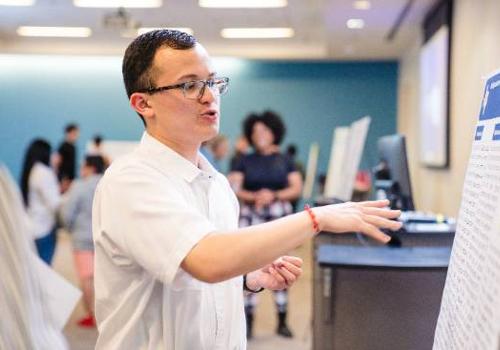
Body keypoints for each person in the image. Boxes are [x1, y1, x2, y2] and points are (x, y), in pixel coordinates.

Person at [92, 29, 401, 350]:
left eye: (212, 82)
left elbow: (195, 280)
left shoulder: (218, 185)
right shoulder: (130, 181)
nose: (210, 96)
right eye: (190, 85)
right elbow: (207, 260)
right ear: (143, 103)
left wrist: (246, 279)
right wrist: (315, 219)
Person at [229, 110, 302, 338]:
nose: (259, 134)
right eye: (255, 131)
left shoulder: (285, 160)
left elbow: (296, 188)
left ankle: (282, 320)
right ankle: (248, 320)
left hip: (279, 217)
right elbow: (236, 187)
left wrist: (274, 195)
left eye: (264, 130)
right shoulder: (244, 159)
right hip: (251, 217)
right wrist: (255, 197)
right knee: (250, 266)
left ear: (274, 132)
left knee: (280, 265)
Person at [60, 155, 105, 328]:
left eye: (83, 166)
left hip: (82, 238)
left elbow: (67, 213)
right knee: (103, 277)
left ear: (90, 168)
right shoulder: (109, 183)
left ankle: (92, 315)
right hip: (103, 237)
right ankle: (105, 314)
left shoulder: (80, 186)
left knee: (87, 277)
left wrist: (69, 228)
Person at [20, 139, 61, 265]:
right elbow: (55, 203)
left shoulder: (31, 171)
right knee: (44, 271)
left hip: (32, 227)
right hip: (45, 229)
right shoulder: (44, 172)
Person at [56, 123, 79, 193]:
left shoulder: (73, 147)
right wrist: (63, 179)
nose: (77, 136)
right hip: (64, 179)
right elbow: (58, 162)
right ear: (69, 133)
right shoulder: (63, 146)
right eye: (75, 133)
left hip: (71, 179)